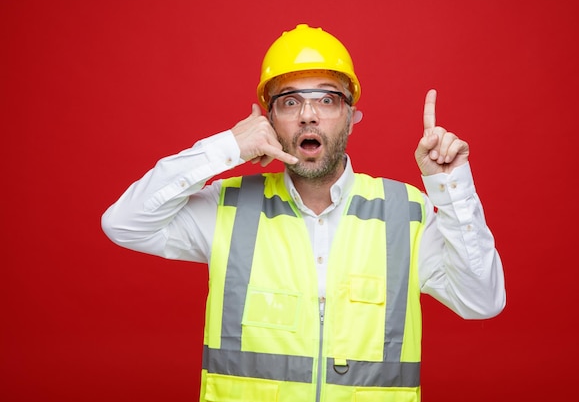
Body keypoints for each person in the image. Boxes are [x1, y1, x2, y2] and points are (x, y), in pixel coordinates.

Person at [102, 24, 505, 402]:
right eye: (290, 101)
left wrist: (451, 186)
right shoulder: (228, 207)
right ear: (270, 120)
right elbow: (124, 224)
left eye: (327, 99)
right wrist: (226, 146)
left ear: (351, 116)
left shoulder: (407, 213)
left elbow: (482, 301)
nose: (308, 115)